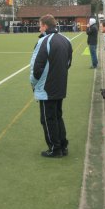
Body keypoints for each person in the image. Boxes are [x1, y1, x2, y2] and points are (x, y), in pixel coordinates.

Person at [30, 14, 73, 158]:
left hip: (46, 87)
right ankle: (63, 145)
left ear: (45, 26)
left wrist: (34, 84)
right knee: (57, 116)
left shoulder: (44, 41)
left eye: (40, 25)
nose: (39, 27)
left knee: (48, 119)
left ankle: (55, 149)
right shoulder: (66, 40)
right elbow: (68, 63)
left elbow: (36, 68)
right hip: (60, 85)